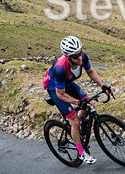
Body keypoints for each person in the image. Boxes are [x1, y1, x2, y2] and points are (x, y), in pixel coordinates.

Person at [43, 35, 113, 164]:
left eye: (80, 53)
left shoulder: (82, 57)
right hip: (56, 89)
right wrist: (78, 102)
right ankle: (81, 152)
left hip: (68, 84)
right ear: (68, 57)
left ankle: (79, 126)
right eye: (76, 56)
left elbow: (90, 71)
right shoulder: (60, 68)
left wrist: (102, 85)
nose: (80, 57)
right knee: (74, 121)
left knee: (90, 104)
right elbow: (61, 94)